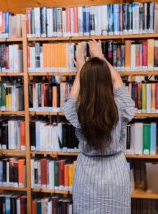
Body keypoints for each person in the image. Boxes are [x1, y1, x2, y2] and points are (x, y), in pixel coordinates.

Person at [63, 39, 137, 214]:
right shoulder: (120, 106)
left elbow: (70, 101)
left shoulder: (78, 110)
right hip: (115, 173)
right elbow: (117, 80)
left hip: (87, 173)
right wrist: (101, 57)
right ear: (107, 81)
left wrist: (81, 69)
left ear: (84, 82)